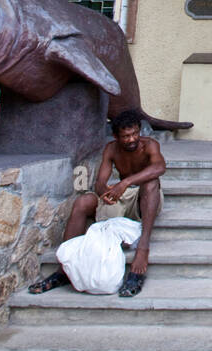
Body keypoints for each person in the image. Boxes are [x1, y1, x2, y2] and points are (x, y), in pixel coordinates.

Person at [27, 110, 166, 298]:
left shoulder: (150, 145)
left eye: (135, 133)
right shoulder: (111, 149)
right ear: (116, 136)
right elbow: (100, 182)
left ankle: (143, 248)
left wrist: (124, 183)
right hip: (119, 198)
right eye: (126, 136)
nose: (132, 139)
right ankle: (65, 268)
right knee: (83, 201)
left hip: (142, 199)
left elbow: (159, 167)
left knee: (152, 183)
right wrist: (104, 193)